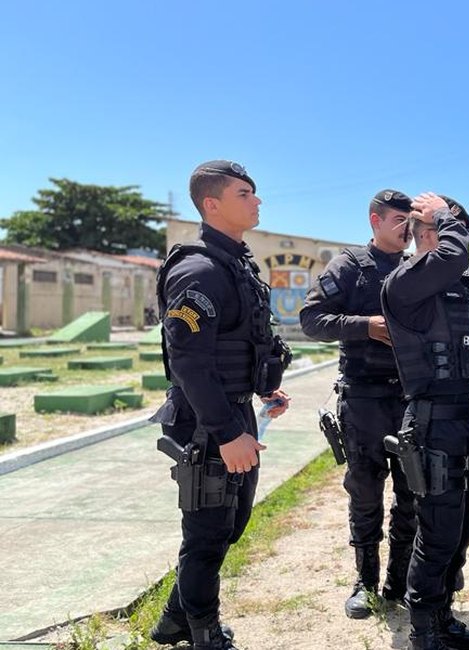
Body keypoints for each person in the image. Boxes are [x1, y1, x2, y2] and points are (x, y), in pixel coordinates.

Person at [150, 160, 292, 650]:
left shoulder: (236, 264)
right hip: (206, 424)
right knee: (208, 535)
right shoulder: (198, 268)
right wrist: (227, 433)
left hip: (233, 413)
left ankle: (173, 621)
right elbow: (189, 363)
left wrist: (263, 389)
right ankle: (204, 635)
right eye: (244, 193)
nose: (257, 201)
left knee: (229, 526)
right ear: (212, 205)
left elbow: (240, 342)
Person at [381, 192, 469, 650]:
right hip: (433, 424)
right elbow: (452, 254)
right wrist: (441, 216)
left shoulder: (456, 284)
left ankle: (443, 618)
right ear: (425, 239)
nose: (458, 243)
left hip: (467, 422)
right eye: (446, 234)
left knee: (462, 528)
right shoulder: (404, 284)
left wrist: (464, 222)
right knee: (437, 532)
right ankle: (423, 631)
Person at [299, 189, 419, 618]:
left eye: (411, 222)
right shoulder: (350, 266)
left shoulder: (414, 268)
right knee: (365, 492)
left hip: (408, 399)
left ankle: (398, 582)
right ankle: (365, 581)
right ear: (375, 221)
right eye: (398, 222)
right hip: (364, 398)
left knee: (412, 492)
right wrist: (364, 326)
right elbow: (311, 320)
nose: (407, 230)